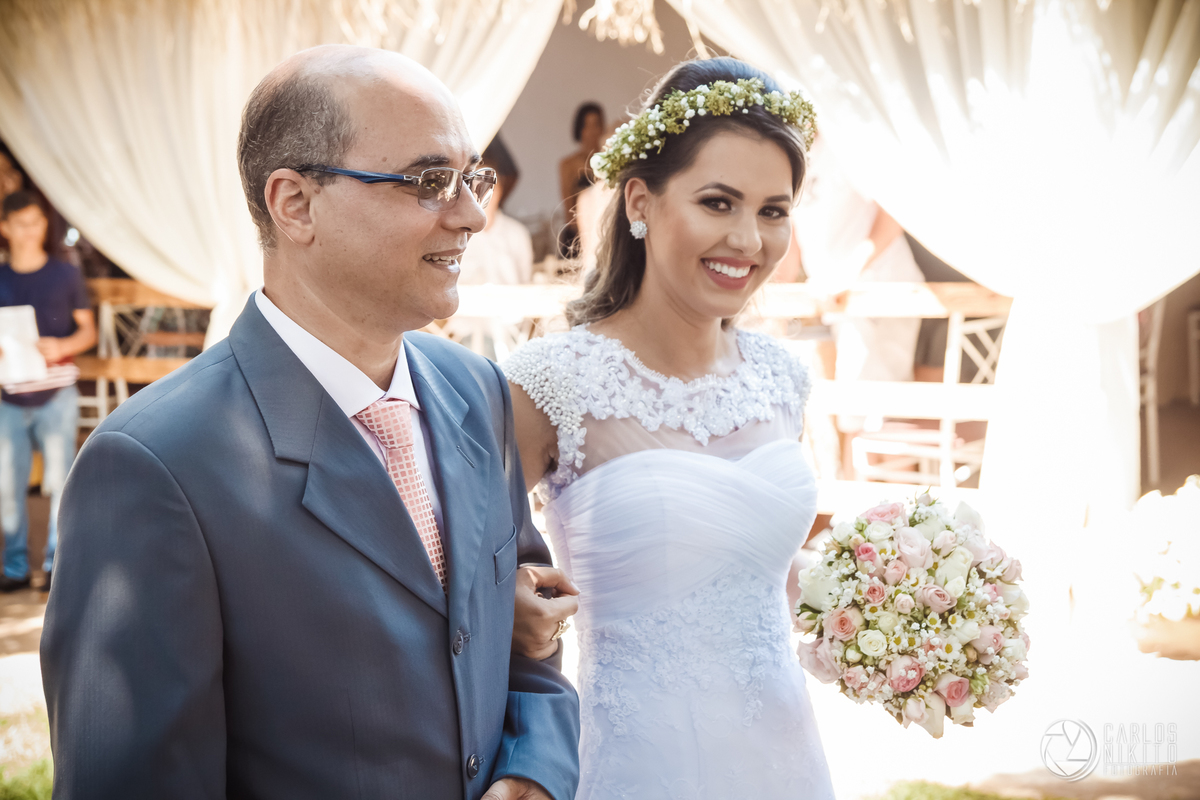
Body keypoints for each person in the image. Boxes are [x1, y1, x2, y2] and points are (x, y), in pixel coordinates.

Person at [41, 45, 580, 799]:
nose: (472, 214)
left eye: (473, 178)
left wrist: (533, 776)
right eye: (430, 181)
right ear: (295, 204)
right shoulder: (154, 465)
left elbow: (525, 643)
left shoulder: (477, 393)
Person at [503, 58, 835, 798]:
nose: (749, 240)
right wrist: (514, 603)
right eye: (719, 202)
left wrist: (883, 606)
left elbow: (763, 576)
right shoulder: (551, 382)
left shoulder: (783, 378)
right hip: (634, 764)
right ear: (640, 203)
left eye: (774, 211)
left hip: (785, 758)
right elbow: (455, 569)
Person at [791, 136, 925, 472]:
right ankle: (866, 519)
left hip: (880, 291)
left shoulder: (844, 145)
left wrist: (848, 272)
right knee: (857, 417)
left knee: (875, 418)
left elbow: (897, 206)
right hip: (841, 304)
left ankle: (901, 520)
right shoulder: (793, 154)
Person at [0, 190, 95, 593]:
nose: (31, 232)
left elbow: (87, 331)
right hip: (8, 396)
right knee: (8, 485)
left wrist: (64, 346)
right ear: (5, 228)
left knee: (60, 482)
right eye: (22, 224)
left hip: (57, 394)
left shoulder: (66, 274)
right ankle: (15, 568)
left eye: (37, 223)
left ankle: (57, 566)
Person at [460, 137, 534, 286]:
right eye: (477, 185)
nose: (483, 193)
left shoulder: (517, 234)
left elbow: (526, 283)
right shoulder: (458, 234)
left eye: (490, 186)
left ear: (500, 190)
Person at [557, 102, 605, 259]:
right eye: (587, 126)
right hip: (577, 236)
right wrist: (586, 238)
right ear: (580, 130)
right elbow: (567, 208)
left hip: (606, 232)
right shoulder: (568, 165)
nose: (592, 132)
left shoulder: (611, 161)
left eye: (597, 125)